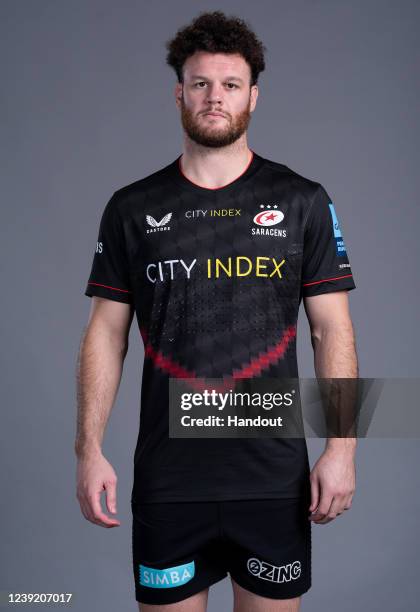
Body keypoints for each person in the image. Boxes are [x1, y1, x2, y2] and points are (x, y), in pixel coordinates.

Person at [75, 10, 358, 612]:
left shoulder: (302, 200)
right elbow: (105, 332)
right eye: (201, 83)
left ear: (253, 96)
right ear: (179, 93)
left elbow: (332, 330)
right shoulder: (132, 207)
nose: (214, 97)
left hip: (274, 478)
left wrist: (342, 449)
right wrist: (88, 448)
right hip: (169, 477)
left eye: (230, 84)